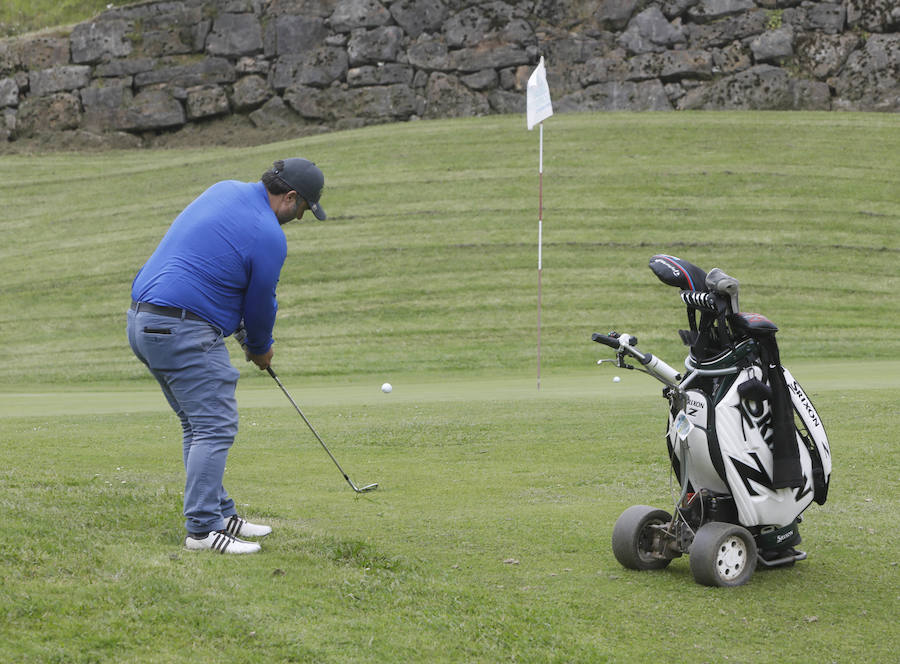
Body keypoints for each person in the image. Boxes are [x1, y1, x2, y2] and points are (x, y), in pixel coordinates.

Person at [127, 158, 327, 554]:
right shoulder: (269, 235)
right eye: (304, 209)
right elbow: (260, 304)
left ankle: (219, 513)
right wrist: (259, 348)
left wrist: (240, 332)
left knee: (196, 425)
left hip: (143, 320)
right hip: (183, 329)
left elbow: (217, 270)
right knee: (214, 426)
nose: (301, 218)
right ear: (290, 197)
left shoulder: (225, 190)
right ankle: (202, 531)